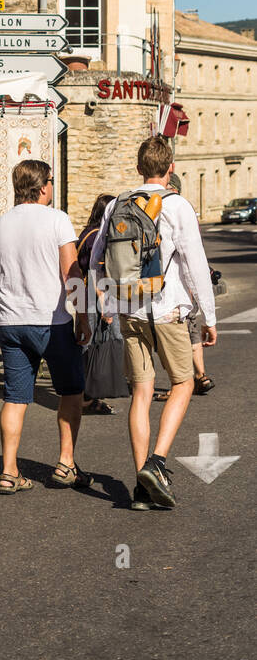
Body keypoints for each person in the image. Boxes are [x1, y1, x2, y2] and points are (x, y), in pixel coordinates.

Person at [90, 138, 217, 510]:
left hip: (129, 312)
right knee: (183, 382)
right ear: (171, 166)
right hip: (166, 311)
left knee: (141, 394)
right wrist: (208, 317)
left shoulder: (117, 204)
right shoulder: (177, 206)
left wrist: (106, 300)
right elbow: (195, 266)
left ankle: (141, 488)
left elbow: (98, 256)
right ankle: (157, 463)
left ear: (138, 166)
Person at [0, 159, 92, 494]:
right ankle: (65, 464)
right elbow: (71, 273)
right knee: (71, 391)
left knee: (15, 398)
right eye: (50, 180)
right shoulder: (57, 220)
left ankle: (8, 472)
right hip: (51, 320)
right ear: (43, 186)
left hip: (11, 321)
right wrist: (84, 317)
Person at [153, 173, 215, 400]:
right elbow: (194, 258)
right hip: (181, 293)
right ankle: (200, 375)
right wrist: (209, 316)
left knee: (172, 343)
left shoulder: (134, 204)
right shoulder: (182, 208)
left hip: (154, 298)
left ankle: (185, 381)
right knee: (191, 333)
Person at [75, 193, 117, 414]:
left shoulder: (85, 233)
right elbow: (97, 274)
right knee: (92, 347)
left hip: (83, 294)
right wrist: (106, 304)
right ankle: (86, 398)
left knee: (86, 344)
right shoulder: (97, 238)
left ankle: (86, 395)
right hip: (94, 295)